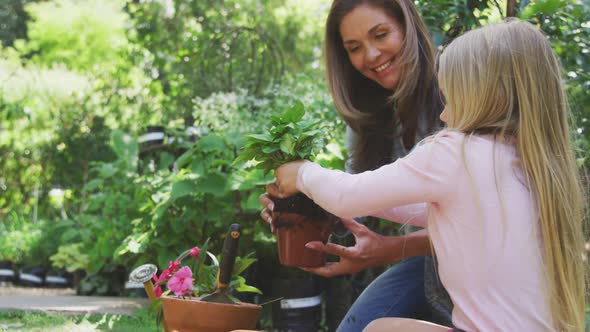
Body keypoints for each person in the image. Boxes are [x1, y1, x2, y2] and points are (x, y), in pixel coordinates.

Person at [272, 19, 587, 331]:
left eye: (450, 99)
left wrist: (303, 174)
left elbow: (349, 197)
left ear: (487, 96)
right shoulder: (528, 165)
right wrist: (322, 196)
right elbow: (415, 205)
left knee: (378, 329)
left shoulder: (456, 152)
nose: (443, 114)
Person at [260, 0, 452, 331]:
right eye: (354, 48)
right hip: (427, 262)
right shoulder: (368, 116)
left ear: (408, 27)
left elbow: (481, 224)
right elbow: (360, 203)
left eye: (381, 34)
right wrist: (302, 208)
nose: (372, 55)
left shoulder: (458, 93)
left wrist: (391, 249)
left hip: (484, 265)